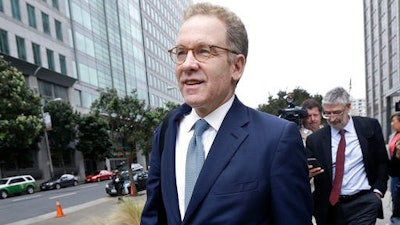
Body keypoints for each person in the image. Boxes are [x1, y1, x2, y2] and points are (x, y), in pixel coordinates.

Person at [140, 3, 313, 225]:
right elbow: (154, 217)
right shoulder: (166, 131)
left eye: (204, 51)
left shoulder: (276, 139)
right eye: (181, 52)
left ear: (236, 67)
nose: (188, 64)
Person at [306, 86, 389, 225]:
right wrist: (306, 173)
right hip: (330, 207)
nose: (332, 119)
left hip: (364, 202)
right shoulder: (315, 140)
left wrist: (378, 191)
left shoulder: (369, 127)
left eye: (337, 112)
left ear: (348, 107)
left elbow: (382, 162)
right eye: (327, 114)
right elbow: (305, 170)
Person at [388, 113, 400, 224]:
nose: (392, 124)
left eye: (394, 121)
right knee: (394, 194)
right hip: (394, 168)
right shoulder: (393, 135)